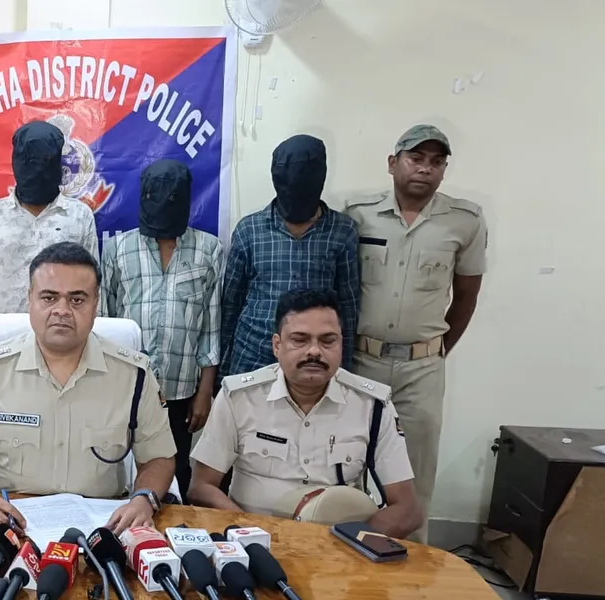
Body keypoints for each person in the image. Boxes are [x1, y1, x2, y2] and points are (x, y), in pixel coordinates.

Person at [0, 242, 176, 532]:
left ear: (95, 303)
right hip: (9, 527)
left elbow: (159, 459)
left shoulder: (134, 376)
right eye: (49, 298)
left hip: (104, 531)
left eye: (77, 300)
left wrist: (143, 500)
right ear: (30, 299)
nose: (61, 310)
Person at [343, 124, 487, 542]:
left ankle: (412, 570)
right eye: (416, 158)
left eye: (436, 162)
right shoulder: (358, 214)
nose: (425, 169)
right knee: (347, 465)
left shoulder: (464, 222)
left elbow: (465, 298)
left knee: (416, 476)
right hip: (360, 361)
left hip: (421, 369)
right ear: (393, 164)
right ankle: (348, 553)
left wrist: (435, 352)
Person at [191, 288, 423, 539]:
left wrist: (353, 543)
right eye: (300, 340)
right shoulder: (239, 397)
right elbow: (201, 487)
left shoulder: (372, 405)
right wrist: (249, 534)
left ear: (341, 344)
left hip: (341, 550)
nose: (314, 351)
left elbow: (407, 510)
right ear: (277, 345)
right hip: (256, 544)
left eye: (327, 340)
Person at [102, 159, 221, 501]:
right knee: (120, 470)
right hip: (125, 386)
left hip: (181, 390)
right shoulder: (117, 250)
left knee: (174, 471)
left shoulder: (209, 250)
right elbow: (105, 320)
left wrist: (205, 392)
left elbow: (211, 327)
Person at [220, 135, 359, 377]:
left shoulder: (342, 231)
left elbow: (348, 306)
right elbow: (230, 305)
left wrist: (343, 370)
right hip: (252, 355)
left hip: (312, 360)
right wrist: (221, 373)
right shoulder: (249, 230)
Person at [0, 120, 99, 341]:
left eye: (46, 161)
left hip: (62, 343)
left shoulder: (79, 217)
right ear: (17, 162)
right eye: (30, 161)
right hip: (0, 344)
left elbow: (93, 290)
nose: (37, 169)